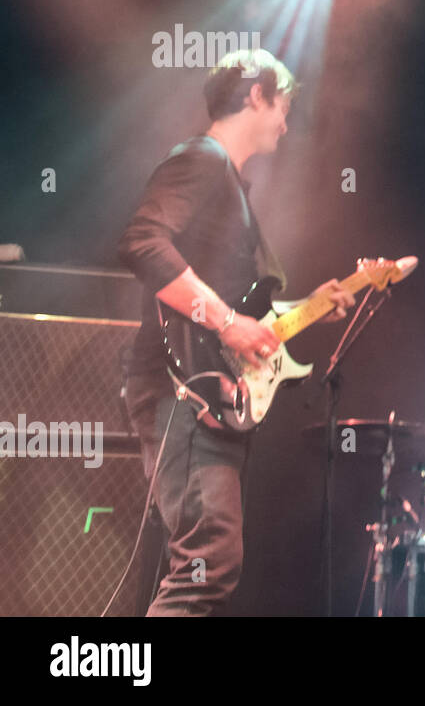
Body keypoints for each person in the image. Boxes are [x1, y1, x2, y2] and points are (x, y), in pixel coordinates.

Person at [117, 49, 355, 615]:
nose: (285, 123)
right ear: (256, 95)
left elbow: (248, 309)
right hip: (182, 391)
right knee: (208, 560)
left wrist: (316, 303)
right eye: (284, 107)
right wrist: (226, 322)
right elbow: (143, 243)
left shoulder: (230, 184)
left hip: (204, 394)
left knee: (206, 563)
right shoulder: (201, 159)